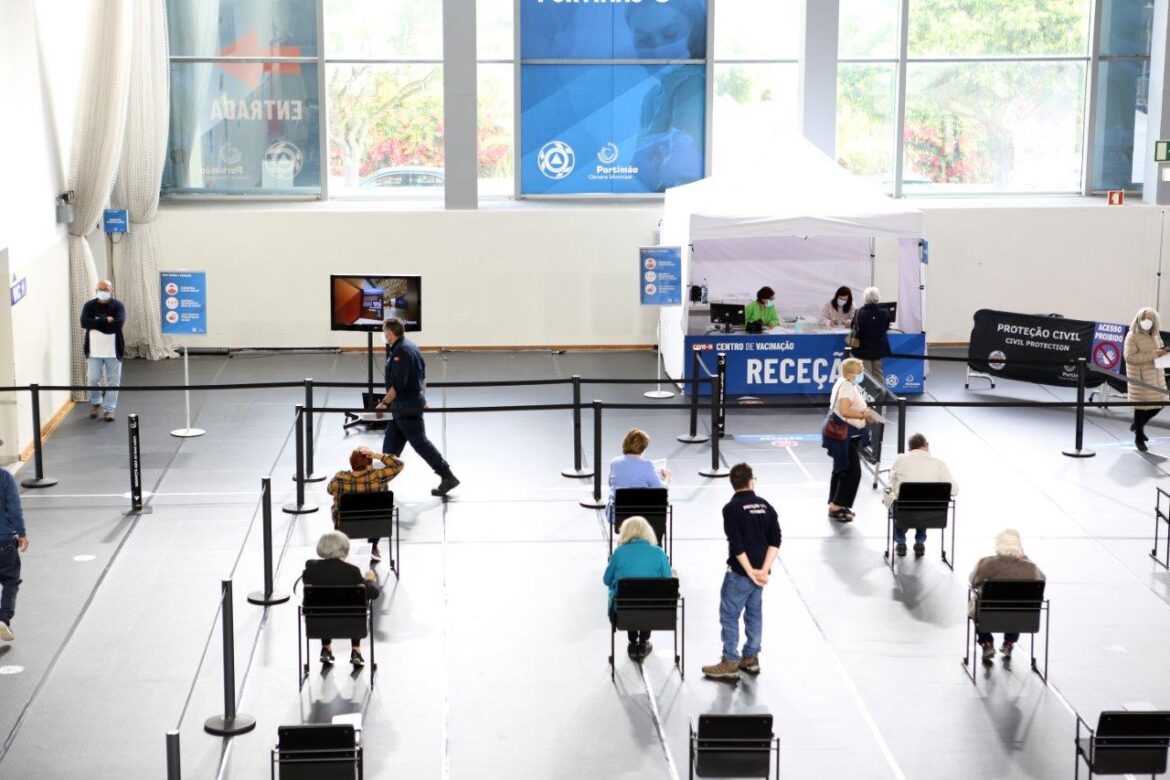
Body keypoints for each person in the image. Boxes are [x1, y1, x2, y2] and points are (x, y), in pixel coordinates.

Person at [701, 463, 781, 681]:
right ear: (751, 480)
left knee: (729, 616)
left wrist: (750, 571)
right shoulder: (765, 505)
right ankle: (751, 657)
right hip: (761, 576)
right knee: (754, 613)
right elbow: (776, 540)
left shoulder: (731, 508)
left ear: (732, 483)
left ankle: (730, 660)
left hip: (739, 574)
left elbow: (736, 545)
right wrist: (763, 570)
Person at [626, 0, 706, 192]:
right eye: (644, 41)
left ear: (696, 31)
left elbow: (676, 174)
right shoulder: (652, 97)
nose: (658, 49)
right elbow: (642, 168)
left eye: (670, 34)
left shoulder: (693, 84)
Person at [376, 318, 459, 497]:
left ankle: (447, 476)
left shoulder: (402, 352)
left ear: (390, 333)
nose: (384, 336)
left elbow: (398, 386)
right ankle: (381, 481)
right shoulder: (410, 347)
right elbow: (423, 376)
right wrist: (423, 398)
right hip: (406, 405)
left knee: (420, 443)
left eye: (385, 333)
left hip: (406, 406)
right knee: (391, 443)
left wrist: (383, 403)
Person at [303, 531, 381, 668]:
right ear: (343, 549)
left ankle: (326, 649)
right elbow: (373, 594)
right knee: (357, 606)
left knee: (324, 603)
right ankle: (356, 651)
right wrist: (369, 581)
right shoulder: (353, 571)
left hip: (318, 624)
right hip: (350, 623)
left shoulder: (310, 568)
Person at [602, 516, 673, 660]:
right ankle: (644, 641)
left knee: (628, 597)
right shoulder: (659, 553)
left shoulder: (619, 553)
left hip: (624, 610)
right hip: (654, 610)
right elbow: (668, 581)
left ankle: (633, 642)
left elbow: (606, 580)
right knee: (649, 596)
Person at [970, 529, 1045, 663]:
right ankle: (1009, 643)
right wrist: (1025, 558)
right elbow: (1042, 579)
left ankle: (986, 642)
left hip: (988, 615)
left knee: (975, 602)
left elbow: (973, 581)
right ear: (1019, 548)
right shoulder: (1030, 568)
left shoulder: (986, 564)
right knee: (1017, 607)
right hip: (1018, 616)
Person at [883, 433, 959, 557]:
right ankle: (920, 542)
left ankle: (901, 542)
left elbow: (891, 483)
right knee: (924, 502)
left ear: (909, 448)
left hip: (904, 511)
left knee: (893, 499)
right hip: (931, 513)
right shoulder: (939, 464)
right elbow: (955, 490)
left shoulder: (900, 460)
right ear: (926, 445)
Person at [326, 446, 404, 565]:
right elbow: (399, 464)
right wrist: (377, 455)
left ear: (352, 463)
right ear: (369, 465)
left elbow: (329, 490)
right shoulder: (377, 476)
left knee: (337, 507)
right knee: (379, 512)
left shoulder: (340, 478)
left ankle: (340, 548)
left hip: (346, 525)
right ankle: (373, 546)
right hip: (375, 525)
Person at [823, 358, 876, 522]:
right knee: (852, 471)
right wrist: (864, 415)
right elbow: (845, 410)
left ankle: (836, 503)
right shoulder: (846, 386)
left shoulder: (846, 383)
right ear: (849, 373)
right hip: (843, 435)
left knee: (841, 469)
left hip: (845, 434)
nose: (861, 375)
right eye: (859, 372)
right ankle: (836, 507)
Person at [79, 279, 126, 422]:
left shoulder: (118, 306)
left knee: (113, 382)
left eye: (106, 289)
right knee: (92, 379)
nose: (103, 291)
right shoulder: (89, 305)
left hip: (113, 351)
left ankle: (109, 409)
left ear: (111, 290)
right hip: (94, 351)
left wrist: (95, 323)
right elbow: (84, 323)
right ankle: (95, 402)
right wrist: (106, 321)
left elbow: (118, 324)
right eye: (100, 289)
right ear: (96, 290)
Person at [1123, 307, 1168, 452]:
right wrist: (1153, 354)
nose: (1147, 322)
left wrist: (1163, 354)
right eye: (1145, 318)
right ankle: (1139, 437)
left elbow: (1157, 352)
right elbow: (1130, 358)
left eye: (1150, 319)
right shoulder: (1132, 336)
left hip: (1156, 376)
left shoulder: (1155, 335)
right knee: (1140, 408)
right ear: (1138, 319)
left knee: (1161, 403)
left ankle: (1137, 426)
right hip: (1140, 378)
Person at [607, 428, 669, 523]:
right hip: (643, 518)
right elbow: (661, 490)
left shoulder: (614, 462)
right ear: (643, 448)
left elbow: (611, 484)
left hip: (618, 517)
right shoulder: (647, 465)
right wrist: (667, 479)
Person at [0, 439, 27, 642]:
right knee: (10, 581)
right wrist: (22, 533)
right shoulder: (4, 478)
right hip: (5, 541)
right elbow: (14, 509)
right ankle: (3, 619)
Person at [851, 286, 891, 384]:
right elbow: (886, 328)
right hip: (878, 348)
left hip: (863, 348)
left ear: (865, 298)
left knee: (865, 373)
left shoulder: (859, 312)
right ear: (878, 297)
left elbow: (853, 326)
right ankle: (881, 395)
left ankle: (867, 396)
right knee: (878, 372)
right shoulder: (885, 312)